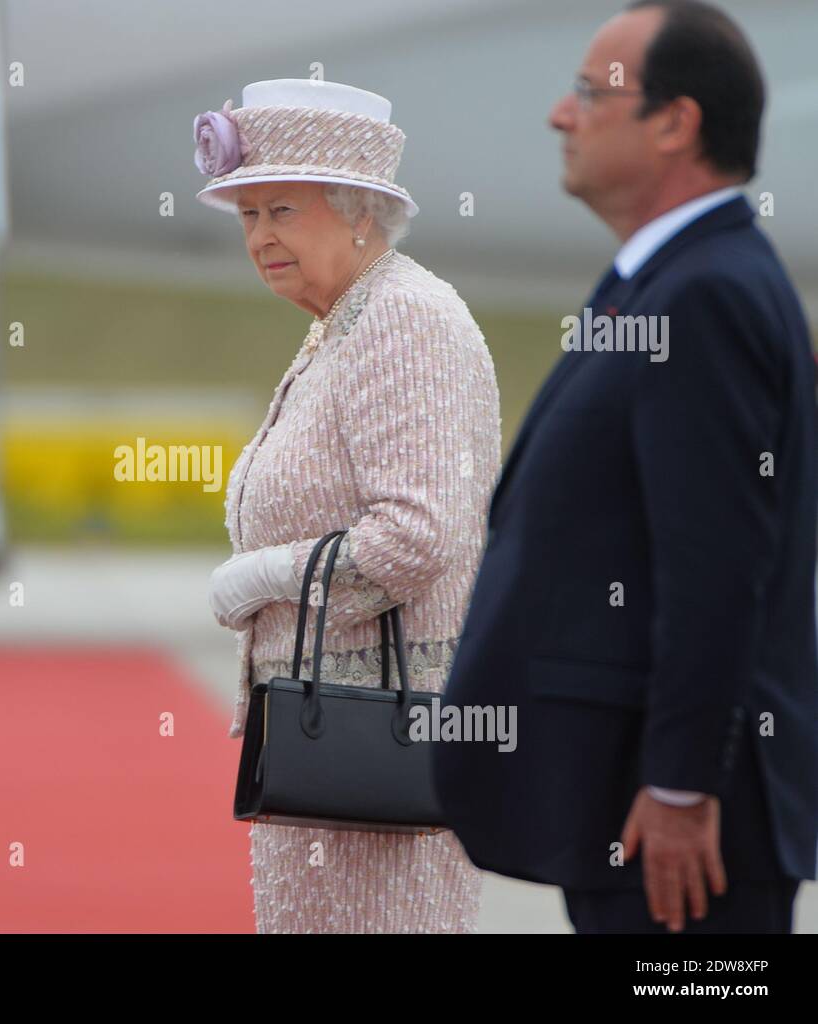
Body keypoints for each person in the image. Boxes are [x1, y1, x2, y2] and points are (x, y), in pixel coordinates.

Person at [434, 0, 818, 933]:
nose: (561, 115)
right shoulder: (670, 281)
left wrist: (683, 786)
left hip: (681, 831)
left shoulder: (704, 296)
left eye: (587, 93)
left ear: (675, 121)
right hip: (633, 806)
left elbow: (717, 567)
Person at [195, 78, 502, 932]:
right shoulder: (347, 320)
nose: (259, 237)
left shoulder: (407, 320)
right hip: (323, 753)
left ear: (359, 210)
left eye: (283, 210)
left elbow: (417, 535)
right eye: (249, 215)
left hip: (381, 757)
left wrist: (262, 575)